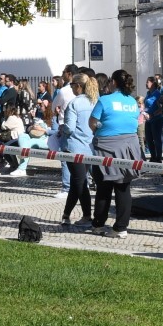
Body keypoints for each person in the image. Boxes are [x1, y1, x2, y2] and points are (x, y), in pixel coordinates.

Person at [89, 69, 142, 238]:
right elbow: (135, 121)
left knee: (103, 186)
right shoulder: (133, 102)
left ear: (113, 82)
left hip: (106, 145)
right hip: (129, 146)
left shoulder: (104, 100)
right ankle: (121, 227)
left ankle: (98, 224)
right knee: (123, 186)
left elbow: (92, 122)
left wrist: (100, 128)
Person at [58, 73, 95, 228]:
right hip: (89, 147)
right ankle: (73, 215)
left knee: (79, 182)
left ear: (78, 86)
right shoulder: (94, 102)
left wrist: (61, 127)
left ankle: (80, 215)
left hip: (74, 147)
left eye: (72, 85)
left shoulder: (74, 103)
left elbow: (70, 128)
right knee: (79, 182)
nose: (71, 88)